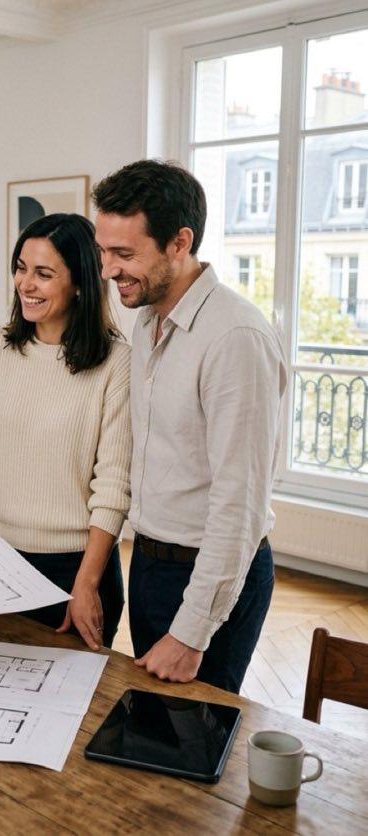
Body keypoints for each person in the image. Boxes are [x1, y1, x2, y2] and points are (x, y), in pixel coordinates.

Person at [92, 159, 287, 694]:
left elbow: (239, 503)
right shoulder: (148, 317)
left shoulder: (235, 338)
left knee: (197, 750)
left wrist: (193, 630)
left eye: (125, 254)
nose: (108, 270)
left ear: (180, 242)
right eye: (104, 251)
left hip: (214, 576)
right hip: (151, 564)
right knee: (155, 732)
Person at [0, 213, 131, 650]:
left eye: (43, 274)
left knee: (71, 711)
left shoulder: (117, 363)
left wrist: (86, 584)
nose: (25, 284)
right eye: (20, 268)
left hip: (76, 571)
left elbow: (114, 485)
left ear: (80, 283)